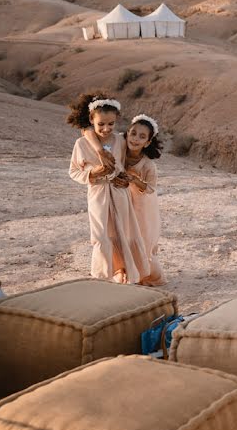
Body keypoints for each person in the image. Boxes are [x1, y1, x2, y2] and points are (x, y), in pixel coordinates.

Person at [66, 93, 152, 284]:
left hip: (119, 193)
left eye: (111, 124)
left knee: (122, 232)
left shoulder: (120, 141)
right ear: (91, 120)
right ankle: (102, 276)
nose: (106, 129)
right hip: (97, 193)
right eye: (101, 124)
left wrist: (125, 179)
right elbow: (73, 171)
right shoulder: (81, 144)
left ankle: (124, 270)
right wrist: (93, 173)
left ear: (117, 121)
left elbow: (124, 164)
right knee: (99, 234)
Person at [123, 114, 166, 286]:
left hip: (142, 205)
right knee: (123, 235)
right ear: (127, 133)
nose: (135, 139)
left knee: (140, 238)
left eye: (142, 136)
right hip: (123, 201)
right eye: (133, 133)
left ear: (147, 142)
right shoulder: (120, 152)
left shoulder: (148, 165)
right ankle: (127, 272)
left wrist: (133, 179)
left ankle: (147, 275)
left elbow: (150, 188)